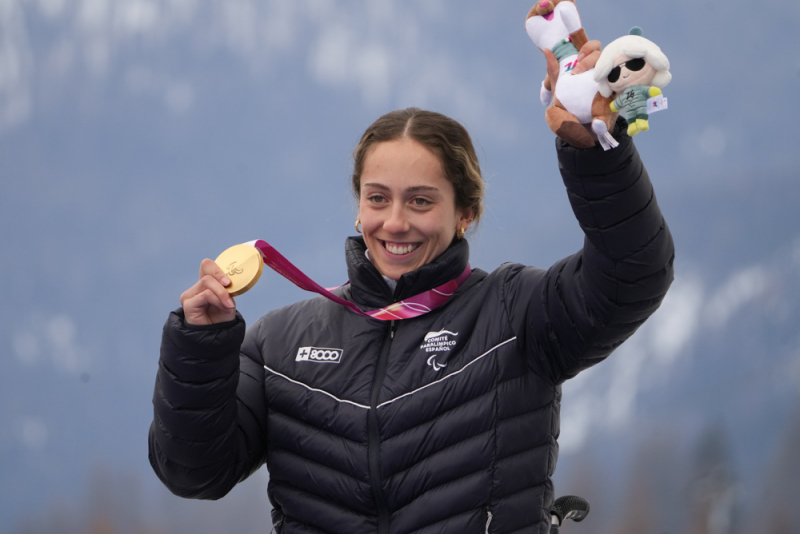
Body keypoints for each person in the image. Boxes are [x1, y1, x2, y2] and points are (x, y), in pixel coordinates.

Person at [149, 48, 674, 534]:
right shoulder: (279, 344)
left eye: (421, 202)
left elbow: (635, 274)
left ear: (465, 213)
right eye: (378, 198)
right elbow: (194, 474)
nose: (394, 222)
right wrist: (202, 348)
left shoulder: (515, 314)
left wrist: (598, 158)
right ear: (359, 206)